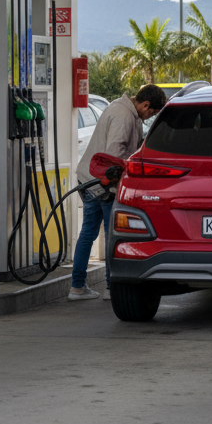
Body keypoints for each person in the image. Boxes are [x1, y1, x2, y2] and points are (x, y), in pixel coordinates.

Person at [67, 84, 167, 301]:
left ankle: (77, 287)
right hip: (102, 183)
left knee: (88, 233)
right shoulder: (124, 116)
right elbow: (114, 154)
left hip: (89, 179)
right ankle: (111, 287)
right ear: (145, 104)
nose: (150, 116)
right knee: (112, 236)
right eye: (151, 112)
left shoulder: (121, 108)